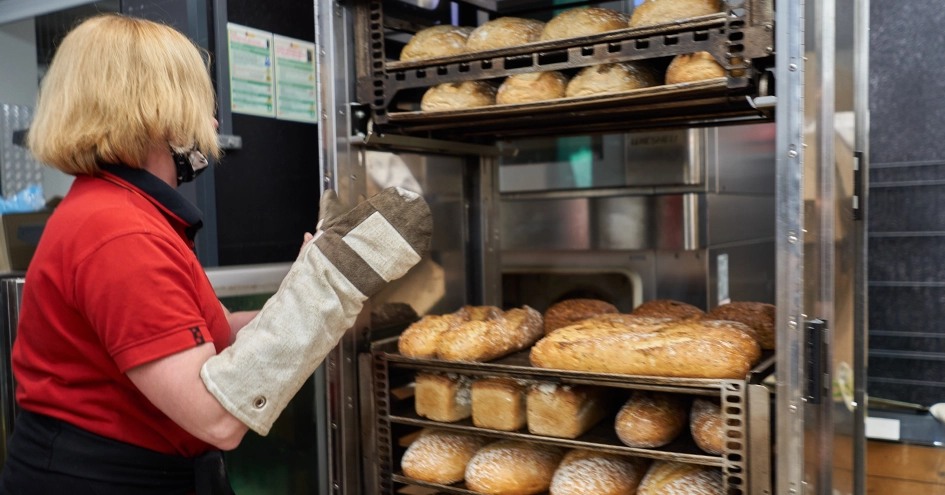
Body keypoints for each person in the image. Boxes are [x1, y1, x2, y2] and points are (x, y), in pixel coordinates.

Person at [0, 15, 432, 495]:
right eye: (198, 98)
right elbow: (217, 417)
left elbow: (219, 332)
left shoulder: (127, 211)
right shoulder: (117, 232)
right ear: (153, 110)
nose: (210, 121)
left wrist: (313, 285)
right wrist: (327, 288)